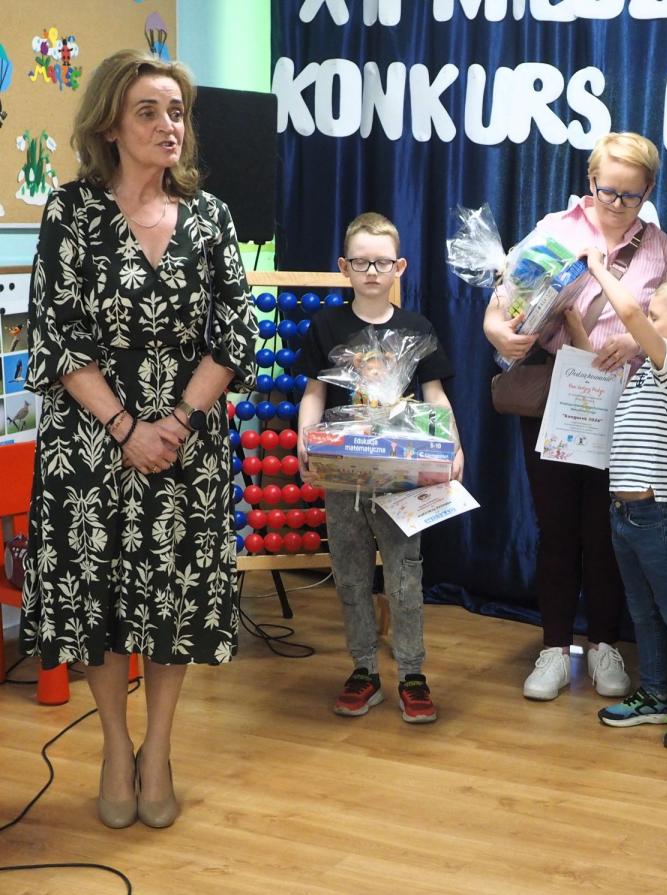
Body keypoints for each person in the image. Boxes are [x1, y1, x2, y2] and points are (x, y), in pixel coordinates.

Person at [18, 50, 256, 829]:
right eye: (148, 111)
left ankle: (158, 748)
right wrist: (125, 427)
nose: (167, 125)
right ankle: (116, 747)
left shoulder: (212, 216)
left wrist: (175, 422)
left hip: (186, 447)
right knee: (100, 595)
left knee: (172, 597)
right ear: (111, 126)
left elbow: (235, 335)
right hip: (89, 446)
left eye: (176, 111)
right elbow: (56, 336)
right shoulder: (70, 211)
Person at [482, 132, 667, 701]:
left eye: (630, 195)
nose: (615, 204)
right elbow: (500, 307)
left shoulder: (660, 249)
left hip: (625, 401)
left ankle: (604, 644)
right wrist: (499, 333)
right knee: (556, 526)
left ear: (649, 190)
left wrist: (638, 343)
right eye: (606, 190)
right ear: (590, 181)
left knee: (607, 531)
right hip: (555, 395)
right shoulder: (555, 231)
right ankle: (553, 646)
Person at [297, 212, 463, 721]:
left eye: (382, 262)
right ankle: (364, 670)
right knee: (349, 576)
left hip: (402, 477)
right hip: (343, 474)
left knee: (405, 577)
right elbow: (315, 392)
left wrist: (453, 447)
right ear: (344, 266)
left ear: (399, 267)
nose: (372, 271)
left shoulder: (417, 328)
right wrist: (306, 438)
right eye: (362, 262)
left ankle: (412, 673)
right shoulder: (327, 326)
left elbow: (434, 396)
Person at [562, 252, 667, 748]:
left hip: (655, 514)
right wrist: (570, 315)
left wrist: (598, 267)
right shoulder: (645, 375)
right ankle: (655, 693)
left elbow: (630, 313)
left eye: (655, 317)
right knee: (642, 611)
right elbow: (595, 369)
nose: (642, 324)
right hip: (625, 513)